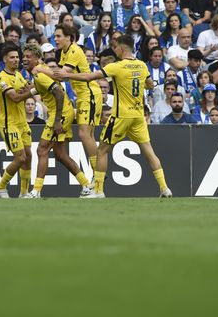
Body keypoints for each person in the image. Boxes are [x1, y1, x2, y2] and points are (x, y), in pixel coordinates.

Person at [56, 34, 172, 198]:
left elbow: (89, 77)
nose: (115, 50)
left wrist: (67, 76)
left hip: (120, 116)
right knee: (149, 152)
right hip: (138, 115)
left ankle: (98, 191)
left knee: (102, 150)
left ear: (122, 48)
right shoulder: (141, 65)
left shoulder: (117, 66)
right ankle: (164, 188)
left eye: (116, 47)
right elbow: (150, 85)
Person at [23, 46, 94, 198]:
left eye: (29, 57)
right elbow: (46, 89)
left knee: (42, 150)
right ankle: (86, 185)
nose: (25, 59)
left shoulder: (39, 74)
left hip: (60, 114)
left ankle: (36, 191)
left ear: (37, 58)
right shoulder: (41, 71)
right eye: (24, 56)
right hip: (64, 111)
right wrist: (30, 90)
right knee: (60, 154)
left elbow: (59, 93)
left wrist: (57, 120)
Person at [50, 23, 102, 181]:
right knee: (88, 135)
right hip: (83, 96)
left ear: (68, 37)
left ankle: (97, 175)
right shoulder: (64, 53)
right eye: (55, 36)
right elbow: (59, 76)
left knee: (84, 134)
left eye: (58, 36)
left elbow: (62, 74)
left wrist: (39, 70)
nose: (55, 39)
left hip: (90, 93)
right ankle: (98, 174)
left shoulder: (74, 51)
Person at [0, 43, 35, 199]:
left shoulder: (18, 75)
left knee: (28, 156)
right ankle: (0, 186)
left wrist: (32, 86)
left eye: (17, 57)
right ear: (5, 59)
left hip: (22, 122)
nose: (16, 60)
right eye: (12, 57)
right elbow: (16, 98)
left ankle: (24, 192)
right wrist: (33, 90)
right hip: (9, 123)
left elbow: (26, 88)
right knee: (20, 158)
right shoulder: (1, 79)